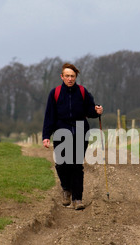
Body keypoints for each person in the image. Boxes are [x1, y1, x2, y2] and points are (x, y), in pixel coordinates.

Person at [42, 63, 103, 210]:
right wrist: (46, 135)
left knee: (76, 165)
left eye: (73, 76)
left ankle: (77, 199)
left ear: (76, 77)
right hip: (61, 130)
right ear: (62, 77)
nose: (70, 79)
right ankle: (66, 189)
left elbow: (90, 111)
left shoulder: (82, 92)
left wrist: (97, 111)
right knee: (62, 164)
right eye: (67, 76)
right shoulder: (55, 93)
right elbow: (49, 116)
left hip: (80, 130)